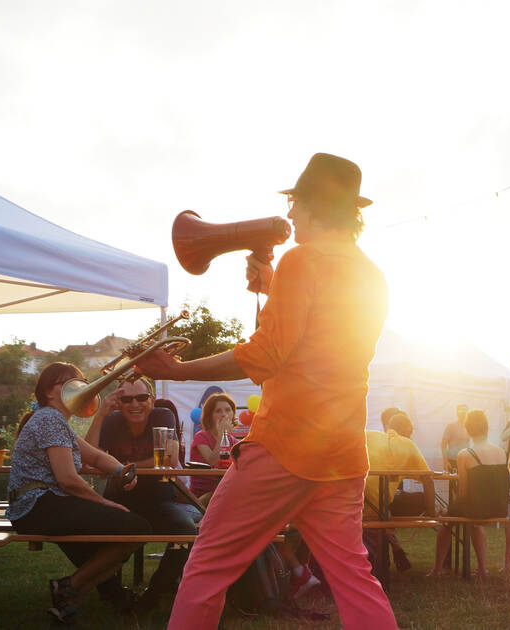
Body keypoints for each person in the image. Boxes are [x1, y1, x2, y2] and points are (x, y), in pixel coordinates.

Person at [135, 153, 395, 630]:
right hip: (340, 452)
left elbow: (267, 355)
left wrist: (179, 368)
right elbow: (320, 340)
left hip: (285, 445)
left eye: (296, 203)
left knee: (208, 564)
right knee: (354, 576)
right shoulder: (370, 274)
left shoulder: (303, 259)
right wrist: (273, 286)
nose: (290, 214)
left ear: (316, 203)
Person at [6, 362, 151, 623]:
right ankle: (71, 587)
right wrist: (105, 503)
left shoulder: (55, 420)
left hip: (41, 505)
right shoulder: (50, 418)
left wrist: (122, 470)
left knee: (131, 531)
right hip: (37, 505)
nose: (81, 388)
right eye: (69, 383)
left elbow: (94, 455)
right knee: (134, 529)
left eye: (81, 382)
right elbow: (68, 480)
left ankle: (69, 596)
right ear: (50, 392)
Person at [85, 377, 195, 613]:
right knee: (87, 533)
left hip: (159, 500)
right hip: (118, 500)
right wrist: (101, 413)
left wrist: (119, 467)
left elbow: (169, 458)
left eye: (142, 397)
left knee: (185, 533)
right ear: (118, 403)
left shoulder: (162, 415)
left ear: (151, 400)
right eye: (126, 399)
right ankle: (112, 592)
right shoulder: (110, 420)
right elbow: (87, 456)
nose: (135, 404)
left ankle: (155, 592)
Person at [430, 409, 508, 577]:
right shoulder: (501, 452)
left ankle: (437, 569)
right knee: (475, 522)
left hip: (477, 507)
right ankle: (482, 568)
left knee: (445, 520)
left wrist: (451, 509)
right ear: (486, 428)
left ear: (467, 430)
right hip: (500, 507)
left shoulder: (465, 454)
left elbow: (463, 490)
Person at [364, 410, 435, 574]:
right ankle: (381, 567)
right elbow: (428, 479)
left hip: (353, 500)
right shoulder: (408, 445)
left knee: (384, 510)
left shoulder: (369, 435)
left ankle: (387, 558)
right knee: (385, 510)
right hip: (377, 508)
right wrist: (432, 514)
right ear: (408, 431)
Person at [188, 393, 238, 501]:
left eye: (228, 410)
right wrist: (222, 435)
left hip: (225, 491)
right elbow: (213, 461)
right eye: (218, 411)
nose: (224, 414)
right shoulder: (201, 436)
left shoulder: (233, 441)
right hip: (203, 496)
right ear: (209, 415)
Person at [440, 404, 470, 473]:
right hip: (453, 461)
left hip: (466, 461)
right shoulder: (451, 426)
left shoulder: (470, 427)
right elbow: (443, 444)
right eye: (461, 410)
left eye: (465, 410)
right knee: (453, 483)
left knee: (466, 483)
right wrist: (445, 461)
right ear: (457, 413)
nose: (463, 412)